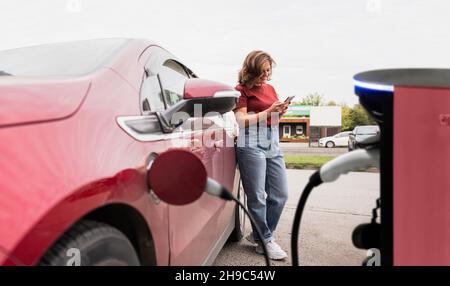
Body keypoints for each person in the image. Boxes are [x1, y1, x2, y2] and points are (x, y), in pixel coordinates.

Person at [233, 50, 290, 260]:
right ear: (252, 71)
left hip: (272, 140)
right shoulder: (241, 90)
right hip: (251, 142)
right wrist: (268, 112)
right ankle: (265, 240)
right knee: (257, 196)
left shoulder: (271, 88)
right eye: (263, 71)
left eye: (269, 70)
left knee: (280, 195)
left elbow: (271, 119)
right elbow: (240, 120)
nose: (267, 75)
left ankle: (258, 234)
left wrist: (278, 113)